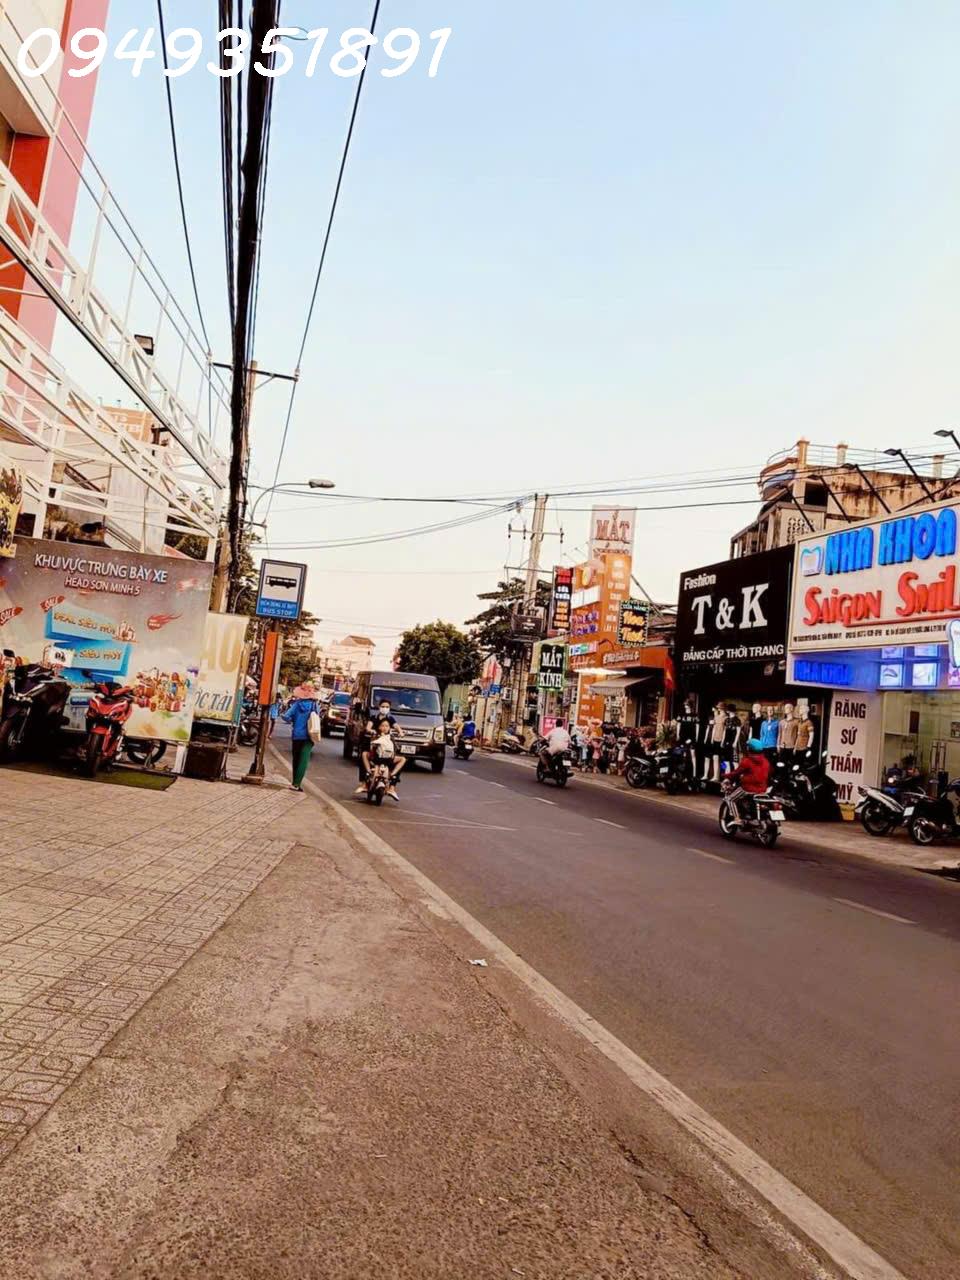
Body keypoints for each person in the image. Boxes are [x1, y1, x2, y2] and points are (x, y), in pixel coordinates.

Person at [356, 698, 403, 795]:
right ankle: (364, 783)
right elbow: (368, 727)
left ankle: (392, 787)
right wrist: (371, 731)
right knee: (363, 755)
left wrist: (400, 732)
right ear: (379, 707)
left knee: (400, 759)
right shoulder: (374, 717)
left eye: (387, 707)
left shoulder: (390, 719)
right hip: (375, 743)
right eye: (383, 706)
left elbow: (397, 727)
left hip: (387, 746)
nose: (385, 708)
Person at [282, 683, 320, 792]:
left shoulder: (296, 704)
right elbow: (317, 718)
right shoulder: (314, 705)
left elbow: (286, 716)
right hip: (310, 735)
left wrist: (294, 721)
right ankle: (296, 784)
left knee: (296, 759)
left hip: (297, 735)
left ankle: (294, 783)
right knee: (304, 760)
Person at [724, 737, 771, 823]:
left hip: (747, 789)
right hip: (762, 789)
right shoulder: (766, 762)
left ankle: (737, 818)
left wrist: (725, 776)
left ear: (749, 749)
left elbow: (736, 773)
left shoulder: (747, 761)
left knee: (730, 799)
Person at [364, 716, 405, 801]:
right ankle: (367, 773)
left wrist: (401, 733)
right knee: (364, 754)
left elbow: (395, 748)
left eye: (386, 726)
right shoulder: (375, 735)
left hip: (388, 759)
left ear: (389, 728)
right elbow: (372, 744)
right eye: (382, 726)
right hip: (376, 758)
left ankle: (392, 779)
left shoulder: (391, 737)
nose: (384, 728)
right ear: (379, 727)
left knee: (403, 759)